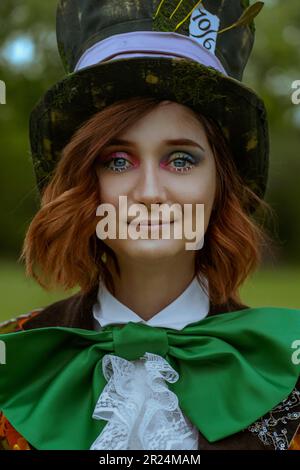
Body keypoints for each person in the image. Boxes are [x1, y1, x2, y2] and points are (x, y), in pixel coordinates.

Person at [0, 0, 300, 451]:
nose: (149, 192)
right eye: (117, 161)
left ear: (221, 185)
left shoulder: (288, 362)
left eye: (181, 159)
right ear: (83, 182)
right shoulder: (15, 355)